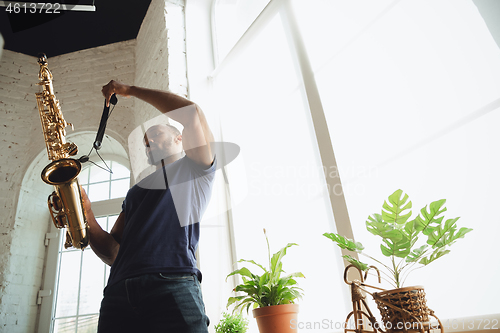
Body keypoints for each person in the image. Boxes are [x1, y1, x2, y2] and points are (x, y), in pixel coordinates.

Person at [81, 80, 216, 333]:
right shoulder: (135, 193)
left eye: (155, 134)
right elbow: (112, 252)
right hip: (118, 292)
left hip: (173, 283)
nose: (148, 142)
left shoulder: (195, 169)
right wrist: (86, 212)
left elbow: (192, 114)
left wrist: (130, 91)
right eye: (145, 141)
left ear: (179, 139)